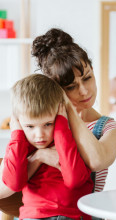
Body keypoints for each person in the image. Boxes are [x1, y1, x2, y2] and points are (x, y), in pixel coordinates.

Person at [0, 28, 116, 200]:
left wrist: (68, 107)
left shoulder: (111, 129)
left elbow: (97, 161)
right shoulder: (39, 125)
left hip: (83, 214)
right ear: (56, 88)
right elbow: (2, 188)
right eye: (71, 87)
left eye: (88, 78)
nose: (84, 91)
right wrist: (38, 157)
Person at [2, 74, 93, 219]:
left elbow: (74, 180)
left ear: (59, 115)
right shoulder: (19, 145)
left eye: (48, 124)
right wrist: (17, 134)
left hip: (71, 216)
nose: (39, 135)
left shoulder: (73, 139)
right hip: (34, 216)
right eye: (30, 126)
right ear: (18, 121)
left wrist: (61, 128)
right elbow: (14, 183)